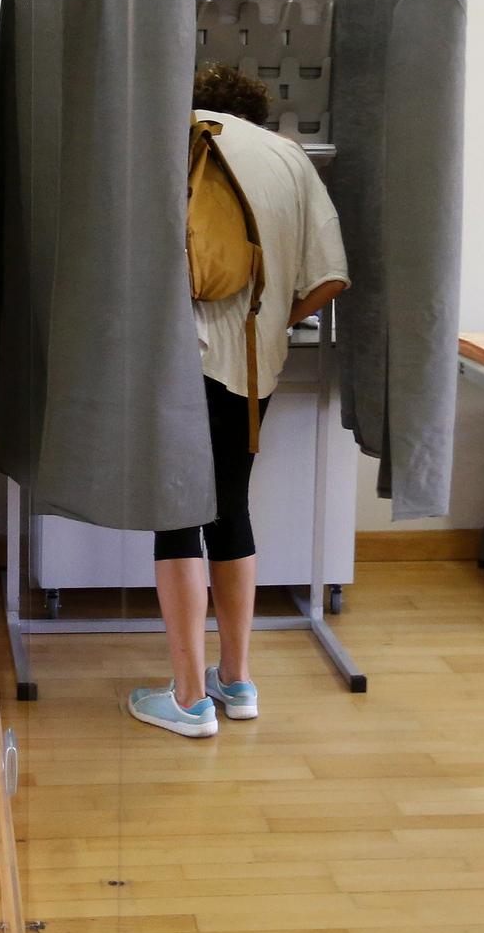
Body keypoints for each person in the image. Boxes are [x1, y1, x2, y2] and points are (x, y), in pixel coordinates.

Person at [131, 64, 349, 739]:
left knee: (177, 514)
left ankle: (189, 697)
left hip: (171, 361)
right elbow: (331, 277)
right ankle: (237, 677)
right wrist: (275, 322)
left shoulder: (169, 147)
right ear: (256, 107)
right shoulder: (288, 158)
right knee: (231, 509)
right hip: (254, 366)